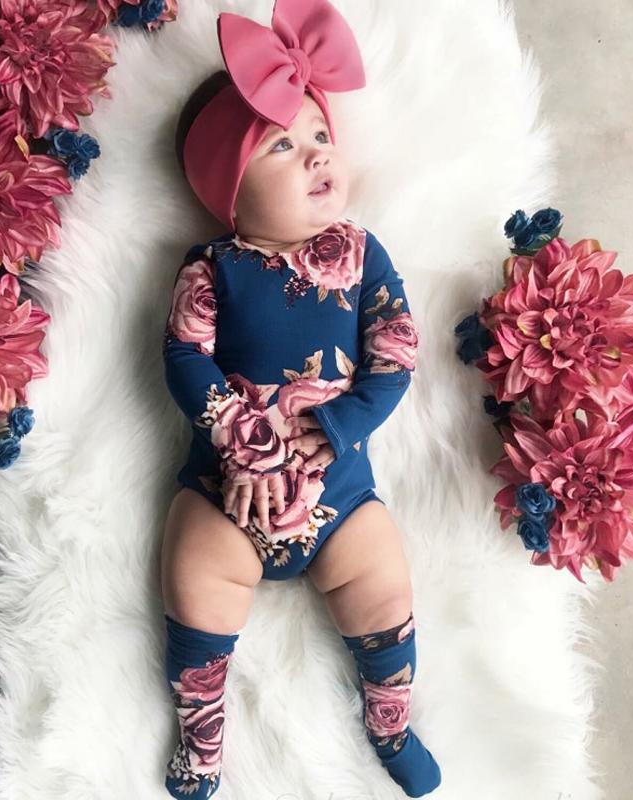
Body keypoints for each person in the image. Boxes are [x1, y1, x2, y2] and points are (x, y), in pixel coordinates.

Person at [160, 1, 441, 797]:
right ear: (230, 192)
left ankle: (390, 719)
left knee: (382, 582)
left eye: (320, 134)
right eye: (283, 145)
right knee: (194, 574)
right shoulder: (212, 266)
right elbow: (184, 354)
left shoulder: (360, 253)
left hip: (338, 492)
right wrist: (235, 433)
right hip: (224, 489)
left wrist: (346, 421)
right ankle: (201, 733)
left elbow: (397, 350)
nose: (317, 153)